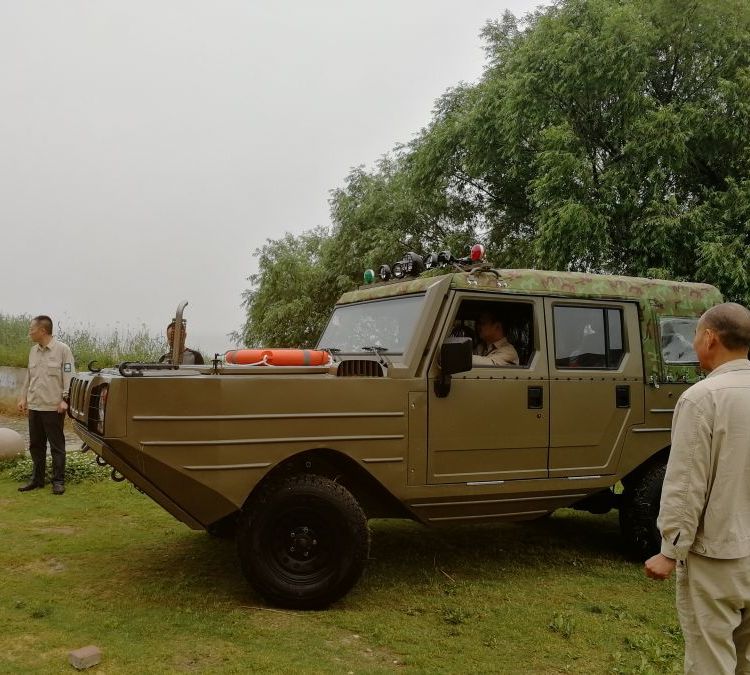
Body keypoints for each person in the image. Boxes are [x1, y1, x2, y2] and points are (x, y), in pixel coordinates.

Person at [645, 302, 750, 674]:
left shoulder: (703, 398)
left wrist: (670, 550)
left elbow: (686, 484)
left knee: (710, 659)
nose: (692, 344)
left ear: (709, 338)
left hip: (717, 556)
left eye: (694, 336)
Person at [17, 315, 75, 495]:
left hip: (53, 407)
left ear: (42, 330)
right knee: (36, 445)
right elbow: (29, 376)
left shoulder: (63, 350)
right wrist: (23, 397)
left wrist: (65, 400)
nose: (29, 333)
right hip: (35, 405)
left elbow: (69, 376)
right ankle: (37, 479)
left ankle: (58, 481)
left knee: (56, 446)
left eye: (31, 329)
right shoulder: (33, 351)